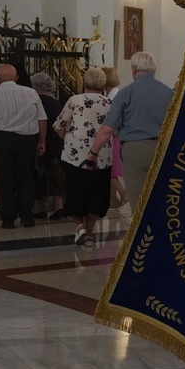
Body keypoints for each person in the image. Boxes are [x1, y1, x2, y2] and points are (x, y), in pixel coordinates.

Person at [86, 51, 174, 213]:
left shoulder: (126, 92)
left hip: (136, 150)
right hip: (165, 148)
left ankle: (143, 237)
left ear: (133, 69)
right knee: (163, 199)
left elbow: (107, 129)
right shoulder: (168, 92)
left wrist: (93, 153)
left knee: (140, 202)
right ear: (153, 69)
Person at [0, 64, 47, 229]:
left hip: (1, 139)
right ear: (16, 78)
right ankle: (27, 215)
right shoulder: (31, 93)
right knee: (26, 177)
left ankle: (8, 218)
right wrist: (41, 141)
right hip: (26, 139)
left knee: (5, 178)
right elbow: (41, 119)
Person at [54, 68, 112, 247]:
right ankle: (89, 233)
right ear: (103, 84)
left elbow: (58, 125)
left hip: (75, 155)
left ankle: (79, 228)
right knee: (97, 193)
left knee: (75, 189)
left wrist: (70, 140)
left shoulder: (74, 100)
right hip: (101, 155)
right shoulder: (110, 102)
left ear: (84, 83)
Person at [30, 72, 65, 220]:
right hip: (56, 140)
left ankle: (40, 207)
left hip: (42, 140)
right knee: (56, 172)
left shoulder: (38, 101)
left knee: (39, 173)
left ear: (37, 86)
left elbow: (38, 122)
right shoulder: (56, 102)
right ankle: (58, 206)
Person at [102, 66, 128, 209]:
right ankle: (112, 199)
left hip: (114, 136)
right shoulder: (111, 94)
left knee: (109, 170)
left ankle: (124, 193)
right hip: (114, 136)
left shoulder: (114, 96)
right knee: (110, 168)